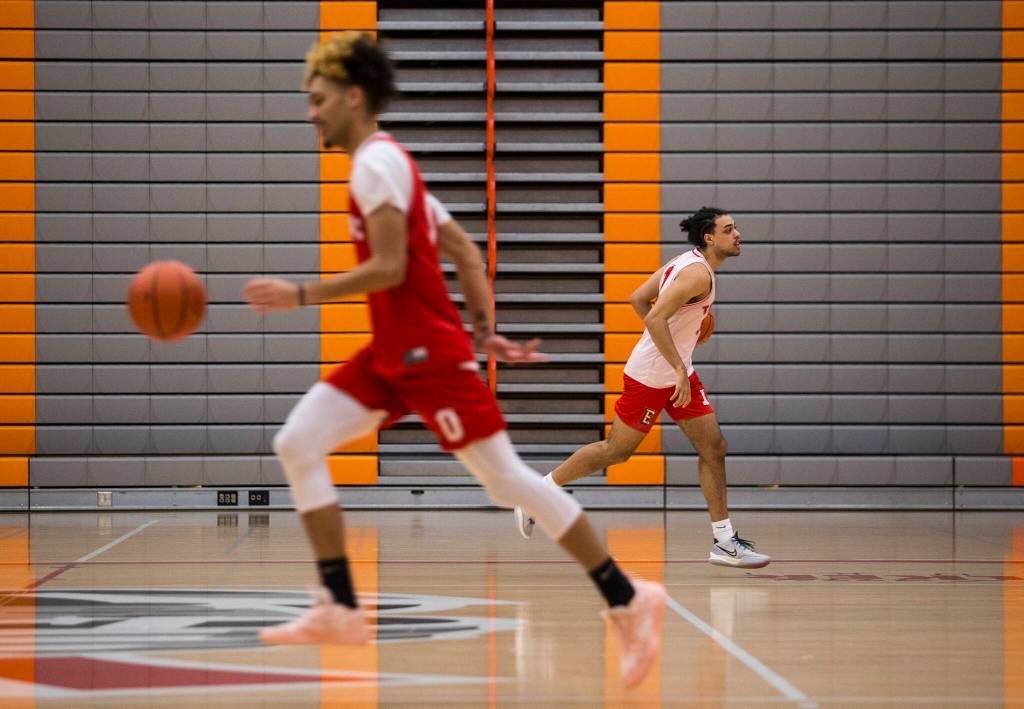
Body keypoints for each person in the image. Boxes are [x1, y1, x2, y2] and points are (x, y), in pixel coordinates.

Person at [243, 32, 666, 687]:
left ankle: (628, 597)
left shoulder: (375, 166)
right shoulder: (395, 164)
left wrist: (300, 294)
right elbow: (465, 251)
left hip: (426, 354)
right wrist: (486, 332)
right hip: (393, 353)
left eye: (318, 99)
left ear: (353, 97)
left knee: (508, 483)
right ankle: (339, 606)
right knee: (296, 441)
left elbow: (389, 267)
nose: (311, 113)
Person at [514, 207, 771, 570]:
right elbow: (653, 316)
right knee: (616, 452)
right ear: (709, 238)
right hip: (652, 376)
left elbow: (637, 298)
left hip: (678, 373)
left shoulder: (687, 262)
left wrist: (676, 352)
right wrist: (675, 363)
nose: (737, 233)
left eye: (736, 228)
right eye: (729, 229)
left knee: (714, 448)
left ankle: (725, 542)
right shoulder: (696, 274)